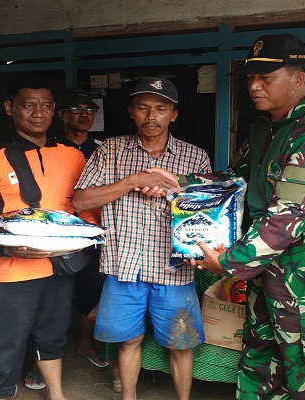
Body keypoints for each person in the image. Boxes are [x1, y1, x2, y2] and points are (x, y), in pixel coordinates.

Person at [180, 35, 305, 399]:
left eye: (267, 77)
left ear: (297, 79)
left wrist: (229, 262)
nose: (254, 86)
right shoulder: (266, 127)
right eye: (249, 78)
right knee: (262, 355)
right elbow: (236, 177)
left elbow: (287, 217)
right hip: (266, 264)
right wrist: (178, 182)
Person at [72, 77, 212, 400]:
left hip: (174, 268)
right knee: (128, 340)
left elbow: (208, 210)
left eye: (161, 108)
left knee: (180, 343)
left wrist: (174, 190)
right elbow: (80, 201)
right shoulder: (111, 151)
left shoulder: (195, 157)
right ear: (131, 111)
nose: (152, 116)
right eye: (143, 107)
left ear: (174, 114)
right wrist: (133, 181)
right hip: (126, 265)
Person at [0, 76, 97, 400]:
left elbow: (83, 204)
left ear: (55, 111)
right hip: (11, 271)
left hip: (59, 267)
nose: (38, 113)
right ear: (10, 108)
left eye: (46, 105)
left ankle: (57, 395)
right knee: (7, 340)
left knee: (54, 334)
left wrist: (89, 231)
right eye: (29, 104)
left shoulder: (72, 156)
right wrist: (1, 245)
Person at [23, 87, 107, 392]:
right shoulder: (50, 147)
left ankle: (85, 344)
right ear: (61, 115)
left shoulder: (104, 148)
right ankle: (39, 361)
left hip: (91, 232)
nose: (84, 115)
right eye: (76, 110)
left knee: (91, 292)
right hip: (55, 234)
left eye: (89, 110)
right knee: (50, 299)